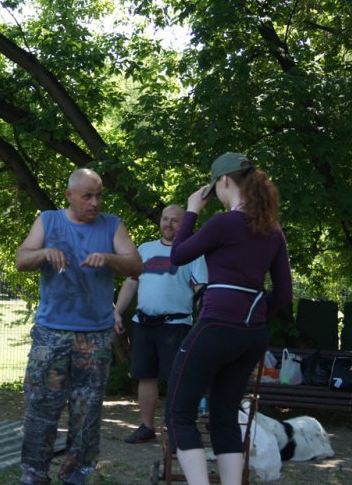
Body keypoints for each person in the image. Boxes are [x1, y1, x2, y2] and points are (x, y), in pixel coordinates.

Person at [164, 152, 292, 484]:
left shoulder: (223, 222)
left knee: (179, 412)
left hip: (215, 328)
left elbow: (177, 255)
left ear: (223, 182)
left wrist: (192, 211)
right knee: (224, 416)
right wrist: (253, 315)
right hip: (253, 336)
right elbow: (284, 295)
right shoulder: (273, 231)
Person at [15, 168, 143, 485]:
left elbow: (137, 264)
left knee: (87, 411)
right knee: (41, 407)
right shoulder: (48, 220)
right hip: (51, 333)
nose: (95, 202)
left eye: (99, 195)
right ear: (70, 196)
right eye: (87, 196)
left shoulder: (112, 225)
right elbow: (21, 259)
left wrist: (109, 259)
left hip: (95, 336)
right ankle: (34, 473)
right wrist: (44, 252)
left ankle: (76, 474)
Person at [113, 205, 207, 444]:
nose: (168, 224)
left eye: (175, 220)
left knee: (175, 379)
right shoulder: (145, 250)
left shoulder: (192, 253)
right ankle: (146, 427)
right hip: (143, 324)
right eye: (165, 219)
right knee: (145, 376)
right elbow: (131, 283)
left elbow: (201, 290)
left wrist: (205, 319)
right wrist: (117, 312)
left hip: (176, 326)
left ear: (185, 223)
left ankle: (174, 430)